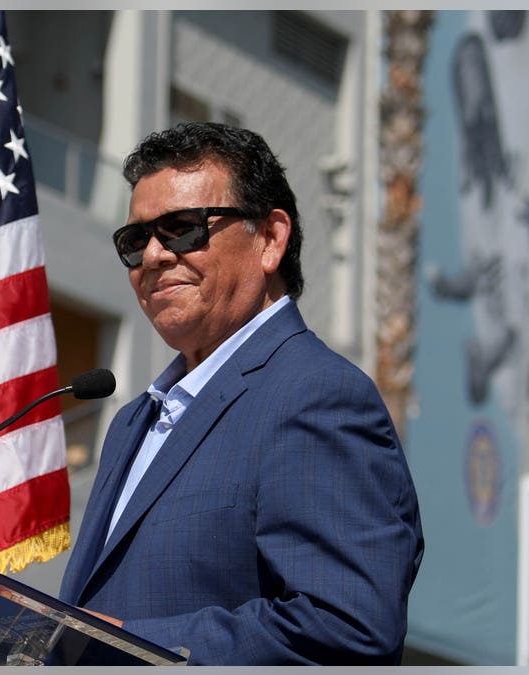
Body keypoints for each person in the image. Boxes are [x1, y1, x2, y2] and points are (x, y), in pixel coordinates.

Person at [58, 122, 424, 665]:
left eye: (182, 228)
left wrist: (128, 649)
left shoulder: (315, 394)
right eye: (136, 241)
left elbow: (347, 627)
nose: (155, 255)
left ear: (271, 239)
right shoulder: (131, 422)